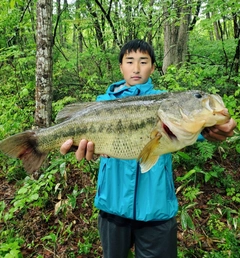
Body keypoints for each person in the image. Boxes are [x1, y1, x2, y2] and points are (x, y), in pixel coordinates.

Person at [60, 39, 237, 258]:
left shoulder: (167, 102)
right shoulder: (102, 103)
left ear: (153, 67)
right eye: (130, 61)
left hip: (157, 209)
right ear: (120, 66)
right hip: (112, 206)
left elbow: (198, 129)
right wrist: (82, 150)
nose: (136, 68)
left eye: (143, 62)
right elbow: (91, 146)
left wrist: (216, 127)